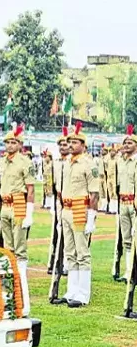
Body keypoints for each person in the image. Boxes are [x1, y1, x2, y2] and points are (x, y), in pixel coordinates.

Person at [53, 122, 99, 308]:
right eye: (69, 141)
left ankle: (83, 293)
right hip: (66, 209)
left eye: (75, 142)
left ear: (83, 145)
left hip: (80, 210)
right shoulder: (66, 164)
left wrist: (91, 218)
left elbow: (94, 193)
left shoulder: (89, 164)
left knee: (82, 252)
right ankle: (71, 290)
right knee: (69, 252)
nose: (70, 144)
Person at [0, 123, 35, 312]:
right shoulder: (2, 161)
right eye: (7, 142)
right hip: (5, 205)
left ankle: (21, 284)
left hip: (19, 204)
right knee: (8, 248)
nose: (10, 145)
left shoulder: (25, 161)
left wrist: (30, 212)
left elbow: (30, 188)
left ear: (20, 144)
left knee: (20, 248)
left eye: (14, 142)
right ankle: (9, 285)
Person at [112, 125, 137, 283]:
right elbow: (117, 183)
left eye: (130, 142)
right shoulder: (120, 162)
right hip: (122, 202)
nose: (126, 145)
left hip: (134, 203)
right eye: (125, 142)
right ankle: (129, 272)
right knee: (126, 240)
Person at [47, 127, 70, 276]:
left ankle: (66, 263)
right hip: (58, 201)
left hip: (69, 201)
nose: (63, 147)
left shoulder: (72, 162)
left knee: (68, 233)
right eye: (60, 145)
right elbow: (53, 182)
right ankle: (53, 262)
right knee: (56, 232)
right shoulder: (55, 162)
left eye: (65, 145)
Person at [107, 145, 119, 214]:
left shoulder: (117, 160)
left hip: (115, 178)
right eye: (110, 151)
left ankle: (115, 209)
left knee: (115, 193)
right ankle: (111, 209)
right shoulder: (108, 160)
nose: (111, 152)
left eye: (113, 151)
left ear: (116, 152)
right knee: (110, 193)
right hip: (109, 178)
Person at [98, 144, 108, 212]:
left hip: (105, 177)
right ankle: (102, 206)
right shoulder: (100, 158)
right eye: (101, 150)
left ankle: (106, 207)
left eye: (103, 150)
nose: (102, 151)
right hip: (99, 177)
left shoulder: (107, 158)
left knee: (106, 193)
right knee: (101, 193)